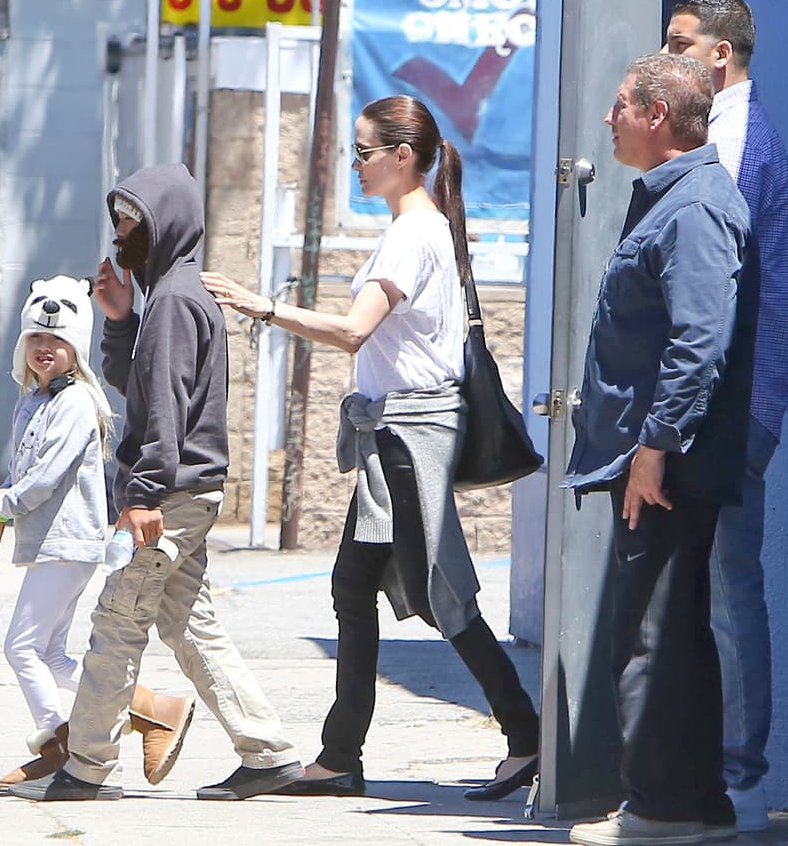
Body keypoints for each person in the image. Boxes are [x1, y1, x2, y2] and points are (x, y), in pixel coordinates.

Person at [200, 96, 540, 802]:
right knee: (353, 588)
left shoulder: (414, 235)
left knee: (446, 598)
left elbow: (355, 331)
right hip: (394, 440)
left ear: (402, 157)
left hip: (408, 441)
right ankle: (339, 754)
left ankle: (526, 734)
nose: (354, 164)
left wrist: (262, 306)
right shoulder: (421, 229)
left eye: (363, 151)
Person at [9, 163, 303, 802]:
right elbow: (138, 381)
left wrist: (142, 496)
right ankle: (269, 752)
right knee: (189, 623)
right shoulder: (174, 294)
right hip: (188, 491)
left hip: (169, 497)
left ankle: (85, 766)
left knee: (116, 622)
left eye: (130, 222)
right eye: (117, 220)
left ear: (164, 223)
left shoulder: (173, 300)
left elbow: (163, 411)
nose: (118, 237)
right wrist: (118, 318)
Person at [563, 54, 754, 846]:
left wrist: (654, 446)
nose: (608, 121)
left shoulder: (695, 208)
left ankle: (661, 811)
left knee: (647, 637)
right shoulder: (671, 201)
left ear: (656, 116)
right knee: (671, 632)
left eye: (619, 107)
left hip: (666, 465)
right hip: (657, 455)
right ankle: (697, 806)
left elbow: (699, 342)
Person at [662, 0, 788, 831]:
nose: (665, 55)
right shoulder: (723, 133)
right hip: (721, 402)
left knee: (725, 589)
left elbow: (721, 292)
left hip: (733, 404)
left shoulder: (737, 140)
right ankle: (703, 774)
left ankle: (739, 779)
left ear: (719, 58)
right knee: (698, 592)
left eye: (679, 44)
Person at [0, 274, 195, 790]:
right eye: (36, 338)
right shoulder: (34, 399)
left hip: (69, 540)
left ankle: (56, 740)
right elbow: (23, 466)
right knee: (50, 652)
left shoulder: (76, 402)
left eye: (57, 340)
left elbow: (48, 474)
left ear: (76, 346)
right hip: (50, 540)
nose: (44, 348)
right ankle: (153, 707)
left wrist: (6, 506)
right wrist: (1, 507)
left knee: (21, 647)